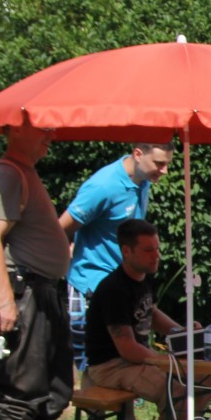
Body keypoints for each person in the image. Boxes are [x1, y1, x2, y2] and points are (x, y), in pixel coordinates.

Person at [0, 124, 73, 420]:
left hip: (44, 292)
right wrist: (4, 299)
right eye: (42, 132)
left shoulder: (25, 173)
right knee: (20, 389)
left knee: (54, 389)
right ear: (15, 132)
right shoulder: (8, 173)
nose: (49, 138)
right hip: (24, 294)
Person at [83, 219, 205, 420]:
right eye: (148, 250)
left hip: (135, 359)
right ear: (126, 252)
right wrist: (165, 361)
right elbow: (127, 348)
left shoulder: (144, 277)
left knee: (206, 379)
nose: (156, 255)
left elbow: (152, 312)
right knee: (176, 391)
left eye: (157, 248)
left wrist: (182, 332)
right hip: (111, 366)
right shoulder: (114, 289)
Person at [61, 141, 173, 371]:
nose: (164, 171)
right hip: (91, 285)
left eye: (167, 164)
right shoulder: (103, 186)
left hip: (123, 286)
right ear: (138, 154)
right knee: (94, 365)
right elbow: (61, 228)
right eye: (159, 163)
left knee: (127, 364)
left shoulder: (142, 181)